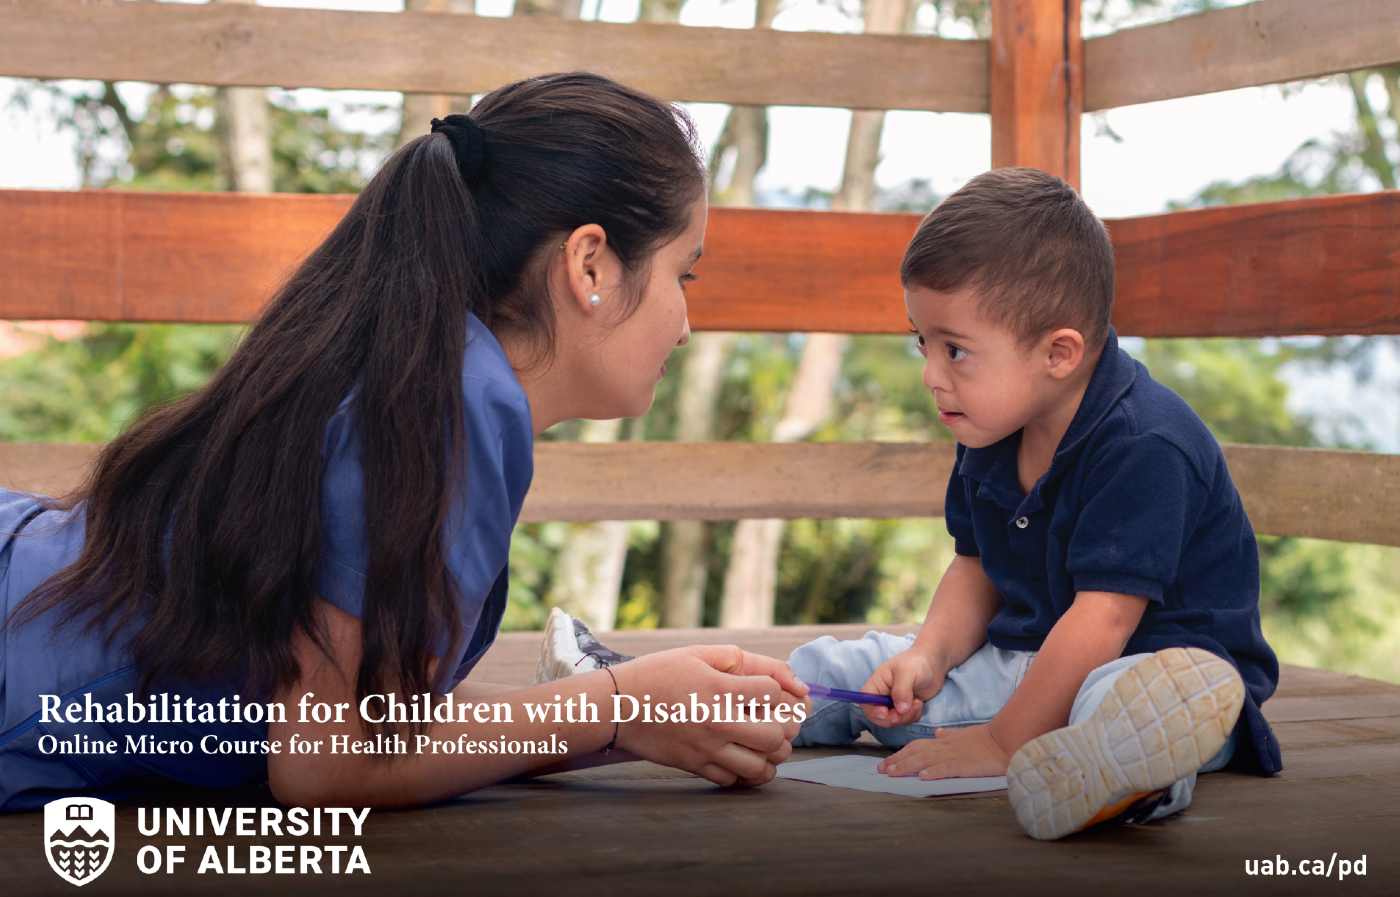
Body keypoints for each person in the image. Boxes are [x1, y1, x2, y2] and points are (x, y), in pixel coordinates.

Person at [0, 72, 807, 813]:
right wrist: (617, 706)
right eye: (683, 275)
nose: (688, 323)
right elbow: (327, 767)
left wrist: (627, 717)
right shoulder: (454, 401)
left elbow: (372, 714)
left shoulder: (431, 368)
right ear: (590, 263)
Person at [782, 167, 1281, 840]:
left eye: (955, 349)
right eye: (921, 342)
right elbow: (975, 567)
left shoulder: (1146, 443)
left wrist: (998, 741)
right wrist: (929, 655)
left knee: (1123, 705)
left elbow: (1103, 621)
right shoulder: (989, 422)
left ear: (1059, 353)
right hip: (1028, 657)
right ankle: (719, 707)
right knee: (857, 665)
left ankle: (1125, 773)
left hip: (1149, 664)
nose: (931, 374)